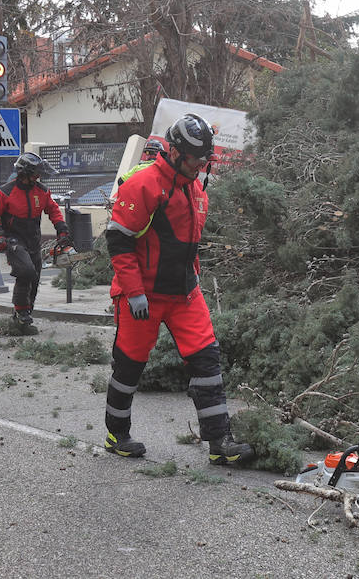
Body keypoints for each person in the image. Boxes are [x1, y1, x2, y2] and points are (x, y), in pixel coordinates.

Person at [102, 113, 255, 466]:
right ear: (174, 153)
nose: (200, 168)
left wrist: (194, 278)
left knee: (207, 361)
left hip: (185, 294)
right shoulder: (143, 185)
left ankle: (219, 442)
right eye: (195, 161)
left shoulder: (196, 189)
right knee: (128, 368)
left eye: (205, 162)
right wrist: (134, 291)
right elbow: (119, 241)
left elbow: (189, 244)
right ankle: (117, 434)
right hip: (143, 295)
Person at [0, 152, 70, 326]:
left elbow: (53, 210)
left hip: (33, 239)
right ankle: (21, 310)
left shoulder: (42, 191)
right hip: (13, 238)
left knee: (35, 277)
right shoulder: (6, 192)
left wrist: (62, 229)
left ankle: (25, 313)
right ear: (25, 173)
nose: (38, 177)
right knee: (26, 271)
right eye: (35, 174)